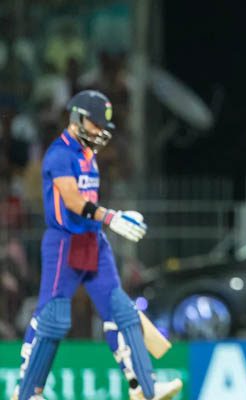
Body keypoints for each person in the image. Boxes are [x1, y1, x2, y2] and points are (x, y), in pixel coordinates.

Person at [12, 90, 182, 400]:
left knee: (121, 310)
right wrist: (111, 217)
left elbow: (87, 202)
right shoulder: (59, 154)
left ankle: (145, 388)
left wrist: (105, 221)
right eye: (95, 124)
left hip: (93, 242)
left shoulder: (88, 156)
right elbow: (73, 200)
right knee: (53, 317)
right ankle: (26, 392)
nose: (101, 131)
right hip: (64, 242)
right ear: (77, 119)